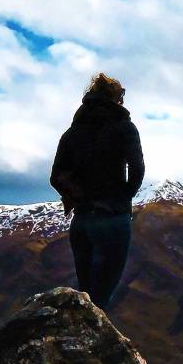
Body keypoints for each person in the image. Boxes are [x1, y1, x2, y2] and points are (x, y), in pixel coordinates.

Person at [49, 73, 145, 308]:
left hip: (81, 221)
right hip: (112, 219)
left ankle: (78, 339)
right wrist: (123, 197)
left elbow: (56, 176)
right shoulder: (124, 127)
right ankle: (93, 344)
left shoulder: (71, 134)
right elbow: (137, 168)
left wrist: (78, 197)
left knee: (86, 295)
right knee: (101, 298)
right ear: (116, 98)